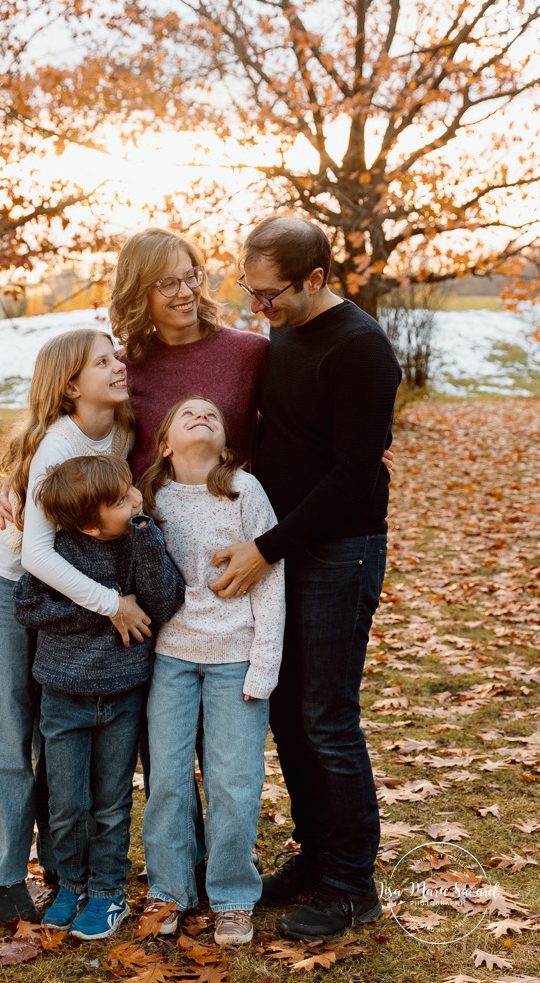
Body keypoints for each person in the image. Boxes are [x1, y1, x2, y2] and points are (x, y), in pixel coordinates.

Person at [208, 216, 402, 940]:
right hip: (285, 546)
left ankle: (353, 887)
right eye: (253, 295)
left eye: (272, 296)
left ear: (316, 277)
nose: (261, 311)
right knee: (287, 712)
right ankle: (315, 859)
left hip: (338, 551)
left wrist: (267, 547)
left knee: (325, 717)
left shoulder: (361, 349)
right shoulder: (283, 332)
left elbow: (354, 476)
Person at [0, 327, 150, 927]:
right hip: (15, 580)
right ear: (71, 385)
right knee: (9, 720)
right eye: (102, 361)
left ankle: (64, 868)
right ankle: (1, 871)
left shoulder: (124, 429)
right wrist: (113, 604)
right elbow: (37, 557)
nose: (117, 364)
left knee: (61, 720)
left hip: (76, 591)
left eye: (115, 354)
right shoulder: (57, 444)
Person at [12, 455, 185, 939]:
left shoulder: (140, 542)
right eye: (120, 499)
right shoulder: (59, 552)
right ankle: (70, 883)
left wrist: (149, 544)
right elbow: (29, 606)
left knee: (110, 802)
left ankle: (108, 892)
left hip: (123, 696)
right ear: (90, 523)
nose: (136, 498)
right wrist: (107, 608)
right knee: (67, 802)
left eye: (131, 489)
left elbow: (165, 602)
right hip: (63, 697)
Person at [136, 397, 285, 947]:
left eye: (212, 416)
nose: (201, 415)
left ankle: (231, 897)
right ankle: (169, 891)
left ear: (226, 445)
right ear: (166, 444)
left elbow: (271, 579)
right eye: (187, 414)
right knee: (167, 782)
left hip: (236, 658)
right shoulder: (149, 498)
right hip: (170, 659)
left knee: (234, 783)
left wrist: (263, 665)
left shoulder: (245, 491)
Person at [109, 227, 269, 478]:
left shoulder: (249, 353)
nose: (186, 292)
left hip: (231, 510)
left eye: (191, 276)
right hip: (145, 515)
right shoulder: (121, 366)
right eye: (168, 284)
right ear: (138, 293)